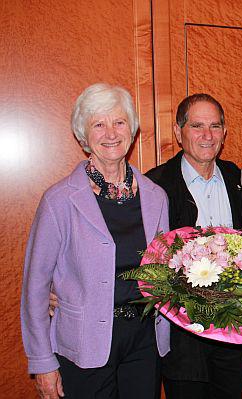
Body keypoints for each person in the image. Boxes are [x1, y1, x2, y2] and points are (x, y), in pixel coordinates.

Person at [21, 83, 170, 399]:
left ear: (131, 129)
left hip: (144, 340)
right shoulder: (59, 200)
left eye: (119, 122)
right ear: (82, 137)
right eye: (98, 124)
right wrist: (42, 361)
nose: (111, 133)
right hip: (84, 342)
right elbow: (35, 287)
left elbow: (165, 269)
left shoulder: (156, 197)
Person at [146, 93, 242, 399]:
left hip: (232, 334)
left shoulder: (238, 179)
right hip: (183, 342)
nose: (207, 135)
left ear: (224, 132)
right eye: (197, 126)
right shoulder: (156, 186)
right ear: (179, 133)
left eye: (215, 126)